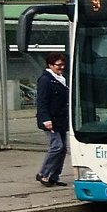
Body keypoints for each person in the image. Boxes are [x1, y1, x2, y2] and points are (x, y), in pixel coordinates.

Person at [35, 52, 69, 187]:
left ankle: (54, 176)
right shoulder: (45, 80)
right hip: (50, 120)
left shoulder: (61, 78)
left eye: (62, 65)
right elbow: (42, 101)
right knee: (57, 146)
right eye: (58, 65)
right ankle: (43, 173)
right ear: (50, 65)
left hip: (61, 119)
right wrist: (45, 119)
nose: (61, 67)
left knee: (63, 148)